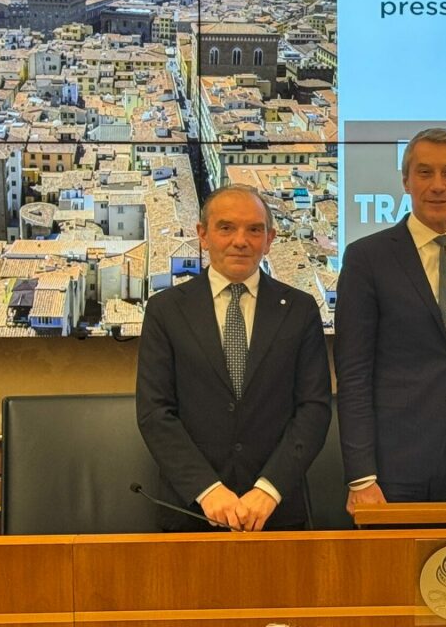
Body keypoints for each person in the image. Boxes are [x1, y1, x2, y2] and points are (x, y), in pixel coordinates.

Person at [136, 184, 332, 531]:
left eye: (254, 229)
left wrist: (269, 489)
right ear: (203, 235)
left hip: (276, 511)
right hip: (192, 510)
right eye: (226, 228)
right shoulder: (165, 310)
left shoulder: (300, 310)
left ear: (269, 239)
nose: (240, 240)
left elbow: (313, 409)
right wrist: (207, 490)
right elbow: (155, 412)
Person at [335, 128, 446, 514]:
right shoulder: (367, 258)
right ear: (405, 181)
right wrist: (361, 476)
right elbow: (353, 373)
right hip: (392, 464)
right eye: (425, 173)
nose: (437, 185)